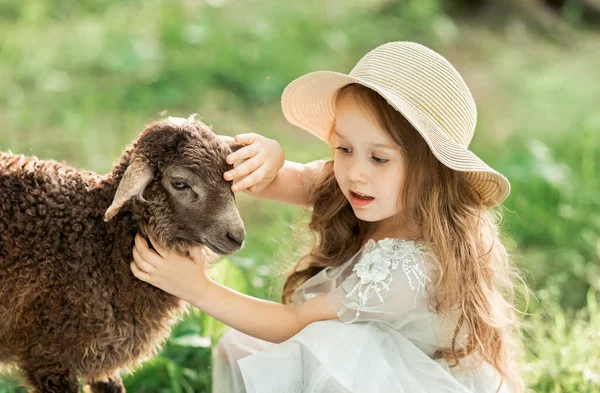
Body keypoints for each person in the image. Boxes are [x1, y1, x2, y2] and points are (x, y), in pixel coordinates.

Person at [130, 41, 525, 393]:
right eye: (344, 148)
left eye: (379, 157)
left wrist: (197, 288)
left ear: (433, 172)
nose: (355, 171)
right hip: (364, 363)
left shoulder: (411, 269)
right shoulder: (367, 187)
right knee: (242, 347)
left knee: (332, 343)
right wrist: (266, 156)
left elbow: (295, 323)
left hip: (400, 380)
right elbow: (282, 179)